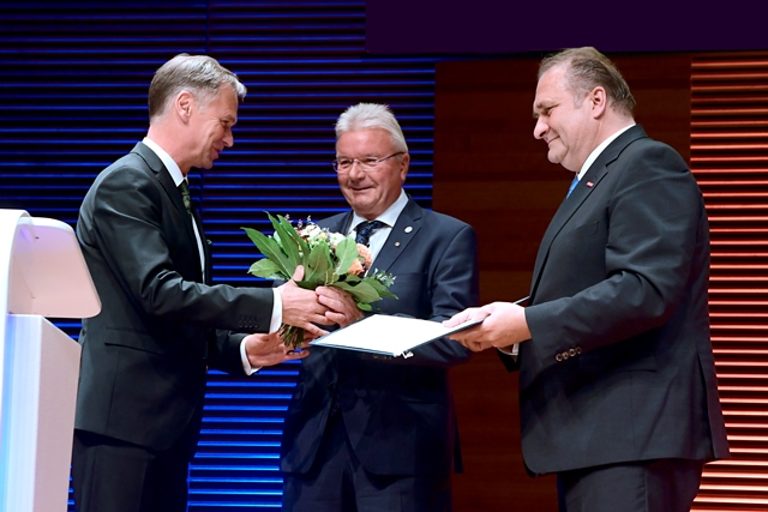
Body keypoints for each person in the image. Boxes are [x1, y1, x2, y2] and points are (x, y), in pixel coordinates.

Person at [446, 47, 730, 512]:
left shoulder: (647, 164)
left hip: (634, 437)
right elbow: (592, 287)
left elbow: (646, 290)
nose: (538, 128)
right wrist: (511, 327)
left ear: (595, 100)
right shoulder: (601, 176)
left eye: (547, 110)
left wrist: (528, 323)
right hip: (603, 438)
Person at [72, 53, 332, 512]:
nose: (230, 140)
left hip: (165, 427)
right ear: (186, 106)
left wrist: (243, 350)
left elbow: (182, 316)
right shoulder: (126, 184)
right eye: (226, 123)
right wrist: (276, 305)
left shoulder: (175, 192)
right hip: (125, 427)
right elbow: (160, 292)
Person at [279, 102, 479, 511]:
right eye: (344, 162)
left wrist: (362, 324)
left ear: (403, 165)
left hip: (401, 452)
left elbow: (455, 339)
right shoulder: (314, 237)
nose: (354, 174)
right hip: (314, 448)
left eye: (370, 160)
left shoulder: (446, 237)